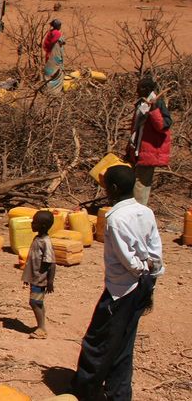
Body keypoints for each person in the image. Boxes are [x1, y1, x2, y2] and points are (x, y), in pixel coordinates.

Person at [71, 165, 164, 401]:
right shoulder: (146, 212)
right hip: (144, 283)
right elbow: (155, 248)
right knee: (125, 341)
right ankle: (119, 393)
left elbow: (127, 258)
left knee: (98, 341)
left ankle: (87, 390)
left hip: (121, 289)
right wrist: (152, 272)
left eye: (105, 186)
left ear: (113, 188)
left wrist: (139, 270)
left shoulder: (115, 218)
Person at [126, 76, 172, 206]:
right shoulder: (141, 103)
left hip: (150, 150)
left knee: (141, 183)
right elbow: (136, 128)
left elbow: (163, 126)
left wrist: (154, 110)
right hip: (138, 149)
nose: (137, 91)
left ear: (147, 89)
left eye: (139, 88)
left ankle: (139, 212)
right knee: (135, 181)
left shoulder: (157, 103)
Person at [23, 210, 56, 339]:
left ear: (42, 226)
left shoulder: (46, 242)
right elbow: (33, 260)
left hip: (40, 279)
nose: (32, 224)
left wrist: (50, 281)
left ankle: (41, 328)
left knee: (34, 302)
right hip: (35, 277)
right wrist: (27, 276)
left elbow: (52, 263)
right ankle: (41, 325)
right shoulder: (38, 238)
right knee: (38, 302)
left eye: (34, 222)